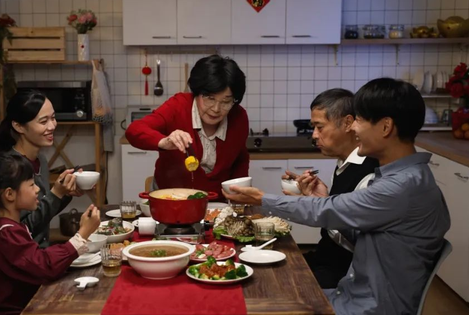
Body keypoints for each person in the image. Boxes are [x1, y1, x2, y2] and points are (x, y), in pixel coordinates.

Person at [224, 78, 450, 315]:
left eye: (360, 120)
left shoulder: (402, 186)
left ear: (385, 127)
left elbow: (326, 212)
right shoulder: (405, 177)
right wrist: (323, 201)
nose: (352, 128)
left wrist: (261, 198)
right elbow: (361, 233)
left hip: (367, 308)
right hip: (349, 293)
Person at [0, 153, 100, 315]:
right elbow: (44, 266)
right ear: (9, 194)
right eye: (32, 185)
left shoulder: (9, 227)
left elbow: (34, 259)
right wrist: (81, 235)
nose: (38, 189)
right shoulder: (6, 235)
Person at [282, 89, 379, 289]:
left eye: (320, 127)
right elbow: (339, 217)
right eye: (313, 128)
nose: (314, 136)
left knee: (278, 284)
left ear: (347, 123)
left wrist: (320, 208)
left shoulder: (369, 172)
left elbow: (361, 245)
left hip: (345, 275)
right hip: (324, 259)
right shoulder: (345, 162)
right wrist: (321, 201)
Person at [126, 55, 249, 199]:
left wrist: (238, 198)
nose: (216, 108)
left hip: (218, 203)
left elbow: (240, 159)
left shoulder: (238, 117)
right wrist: (164, 142)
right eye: (210, 98)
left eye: (226, 101)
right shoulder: (178, 106)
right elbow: (134, 130)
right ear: (197, 93)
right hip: (170, 198)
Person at [0, 90, 88, 247]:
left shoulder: (40, 160)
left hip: (39, 252)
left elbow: (40, 211)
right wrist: (56, 194)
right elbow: (22, 231)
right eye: (43, 122)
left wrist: (64, 192)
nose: (52, 126)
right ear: (18, 126)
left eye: (53, 118)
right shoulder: (11, 168)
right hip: (23, 258)